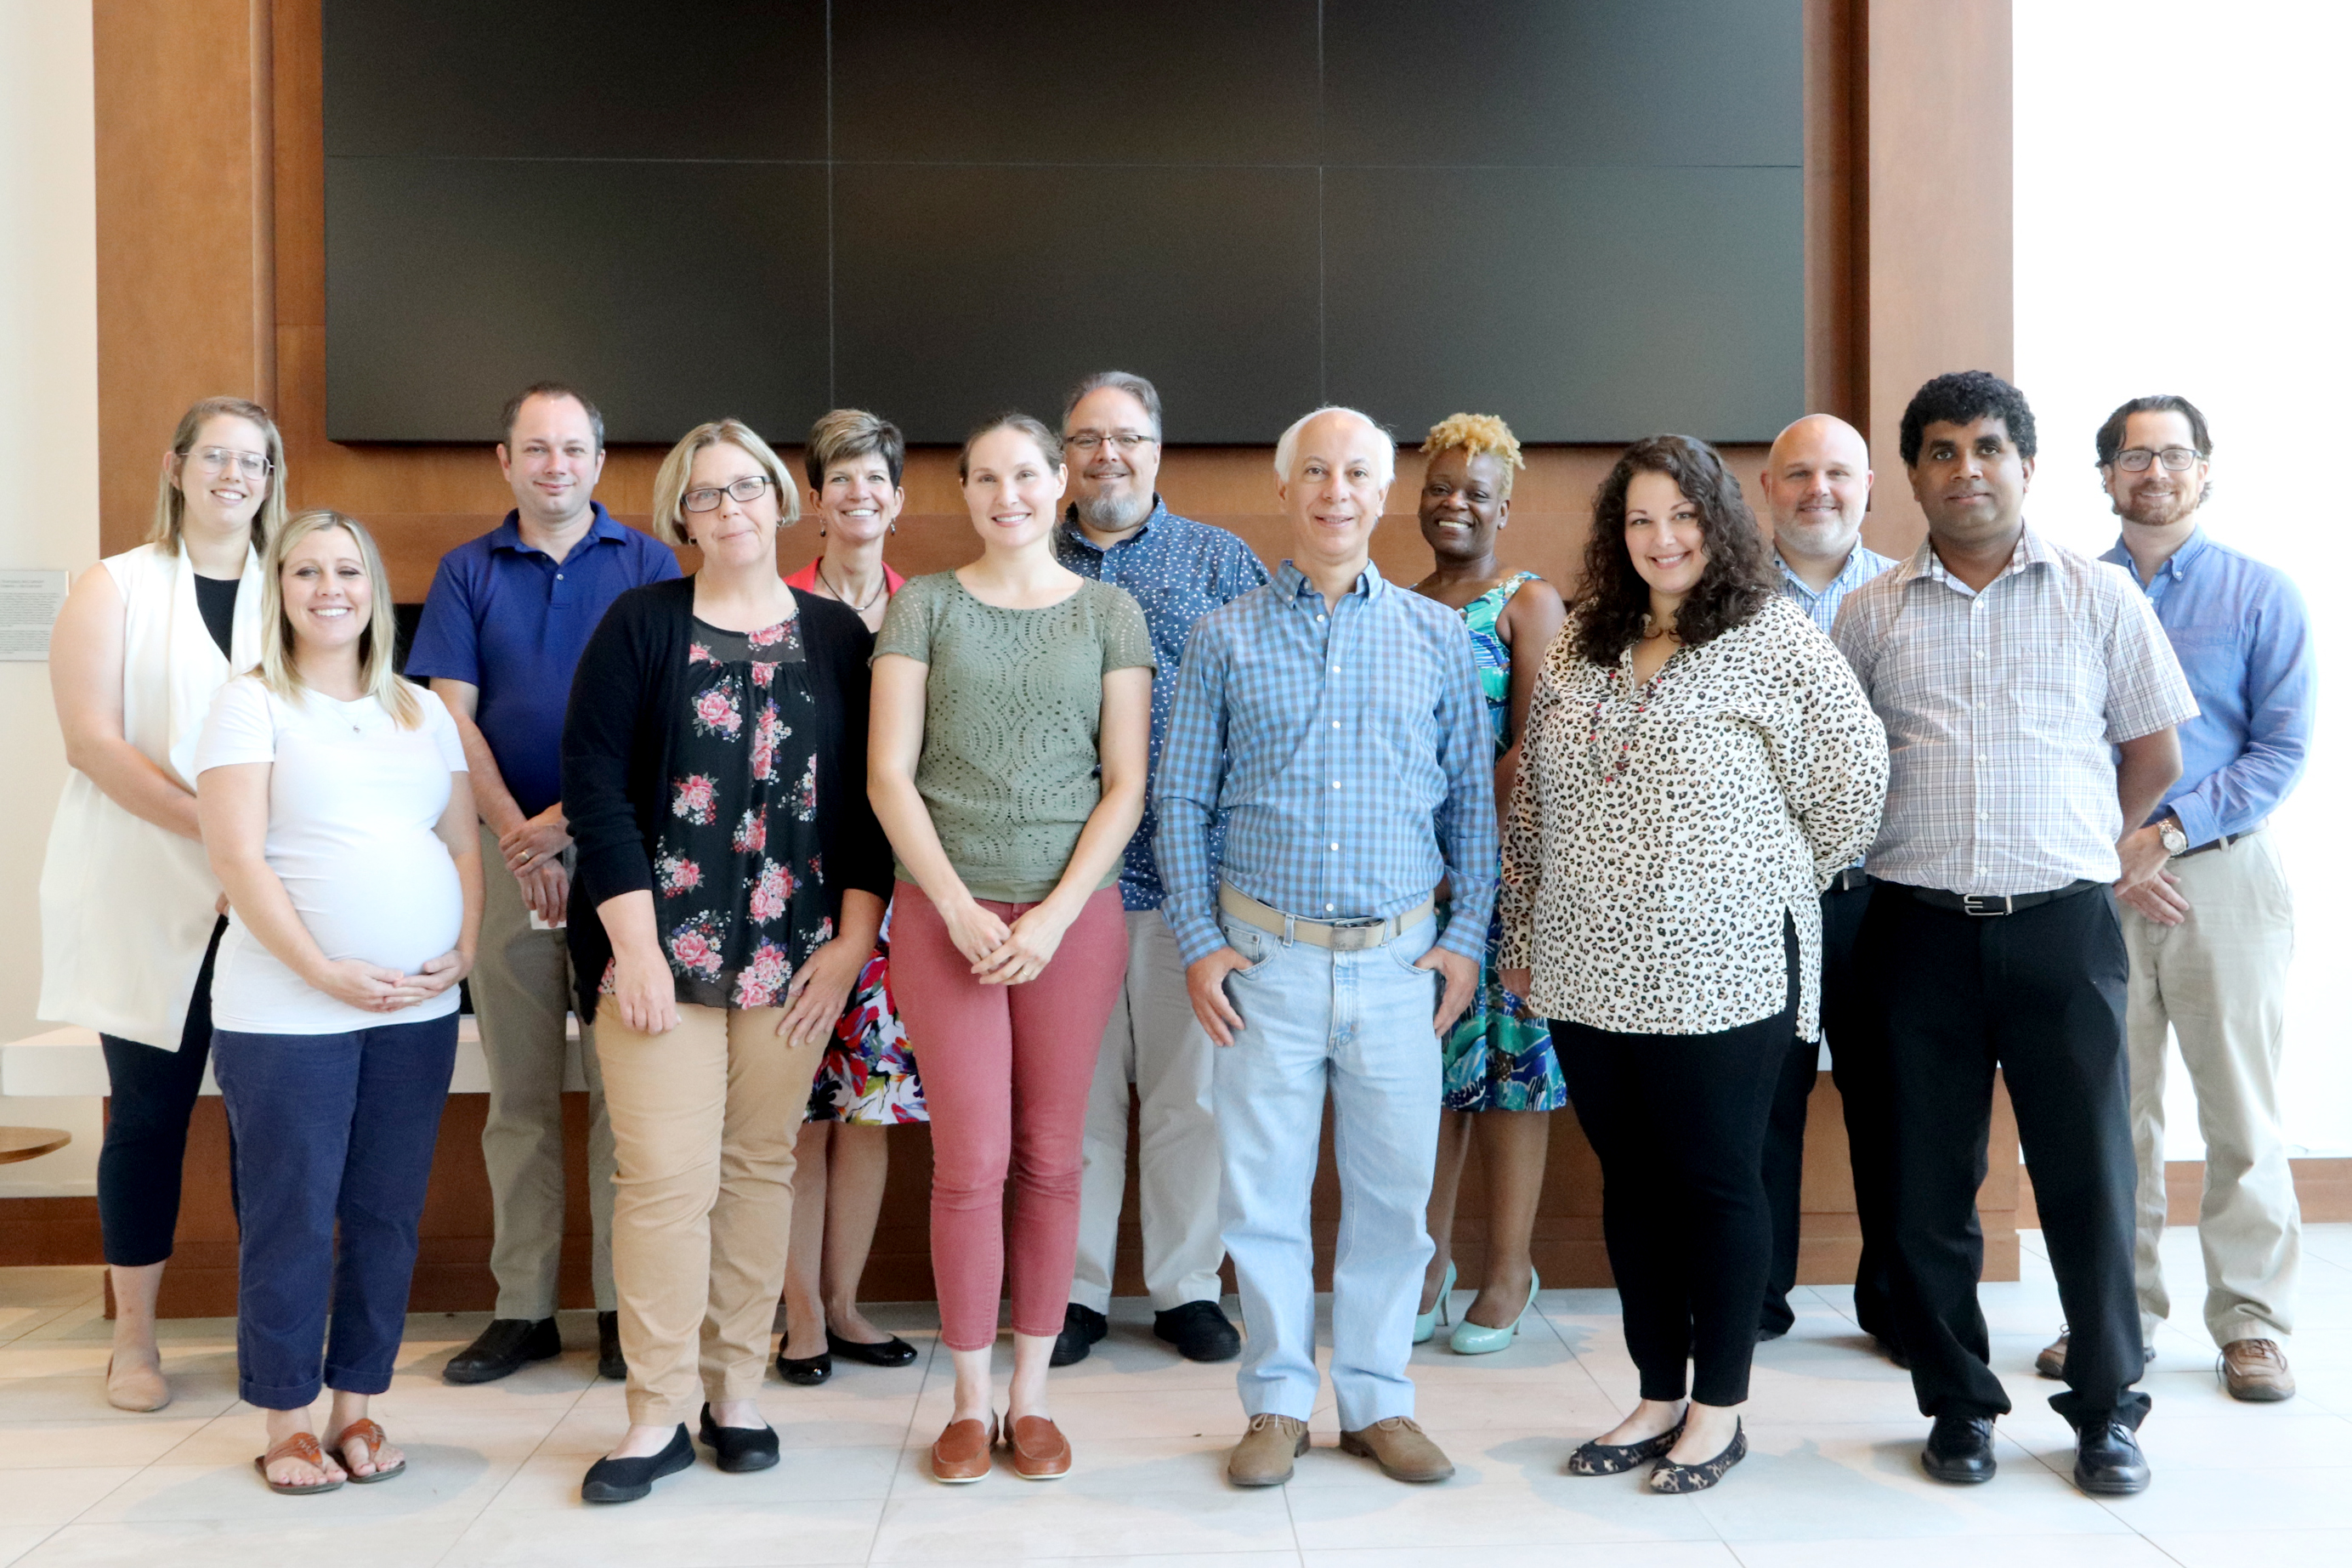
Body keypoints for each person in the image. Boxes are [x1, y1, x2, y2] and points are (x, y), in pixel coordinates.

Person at [1499, 435, 1885, 1495]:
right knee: (1633, 1185)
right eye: (1638, 520)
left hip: (1723, 971)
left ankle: (1719, 1410)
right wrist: (1522, 942)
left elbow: (1854, 789)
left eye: (1680, 517)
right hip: (1585, 967)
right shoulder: (1583, 640)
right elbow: (1531, 804)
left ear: (1716, 523)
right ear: (1614, 536)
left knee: (1714, 1183)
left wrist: (1751, 874)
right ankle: (1655, 1391)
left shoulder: (1774, 640)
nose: (1660, 539)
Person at [1834, 371, 2196, 1498]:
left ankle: (2103, 1412)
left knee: (2087, 1177)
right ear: (1912, 477)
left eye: (1986, 448)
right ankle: (1956, 1407)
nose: (1964, 469)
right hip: (1914, 935)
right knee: (1923, 1190)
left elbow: (2151, 752)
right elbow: (1841, 770)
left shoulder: (2098, 598)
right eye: (1938, 452)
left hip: (2062, 931)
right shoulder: (1868, 611)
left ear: (2025, 467)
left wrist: (2092, 843)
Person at [1158, 405, 1495, 1491]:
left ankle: (1378, 1400)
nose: (1335, 491)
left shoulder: (1438, 636)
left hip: (1402, 968)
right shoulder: (1223, 636)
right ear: (1284, 488)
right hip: (1266, 964)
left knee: (1393, 1198)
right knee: (1260, 1198)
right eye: (1315, 471)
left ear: (1381, 493)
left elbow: (1472, 818)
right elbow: (1178, 802)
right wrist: (1202, 944)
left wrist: (1465, 942)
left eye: (1356, 472)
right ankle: (1273, 1405)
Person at [562, 418, 893, 1503]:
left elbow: (869, 805)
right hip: (658, 954)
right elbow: (598, 788)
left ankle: (733, 1392)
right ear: (680, 514)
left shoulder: (840, 637)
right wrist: (635, 947)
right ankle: (654, 1413)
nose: (732, 507)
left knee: (759, 1171)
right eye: (707, 495)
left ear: (777, 500)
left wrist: (850, 941)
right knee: (662, 1180)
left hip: (791, 959)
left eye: (748, 486)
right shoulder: (639, 623)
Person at [869, 412, 1153, 1484]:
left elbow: (1123, 781)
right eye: (985, 477)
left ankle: (1031, 1399)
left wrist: (1049, 916)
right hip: (945, 918)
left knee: (1049, 1156)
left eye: (1027, 474)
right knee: (971, 1162)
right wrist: (953, 905)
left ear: (1060, 481)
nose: (1009, 494)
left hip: (1068, 925)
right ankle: (967, 1400)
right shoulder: (925, 607)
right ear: (965, 492)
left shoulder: (1109, 613)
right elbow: (889, 774)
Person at [195, 509, 484, 1493]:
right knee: (291, 1211)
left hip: (413, 1009)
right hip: (286, 1013)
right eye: (306, 571)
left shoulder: (420, 709)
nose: (330, 589)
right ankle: (287, 1421)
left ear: (372, 588)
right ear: (278, 590)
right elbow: (234, 854)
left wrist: (466, 950)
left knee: (387, 1212)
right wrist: (322, 970)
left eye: (348, 571)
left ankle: (358, 1409)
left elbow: (458, 844)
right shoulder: (249, 704)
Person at [2030, 396, 2312, 1402]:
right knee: (2112, 1113)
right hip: (2093, 882)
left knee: (2238, 1109)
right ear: (2103, 475)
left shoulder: (2258, 594)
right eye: (2133, 456)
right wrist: (2115, 852)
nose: (2155, 471)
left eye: (2175, 455)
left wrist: (2163, 836)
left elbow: (2280, 747)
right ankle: (2117, 1314)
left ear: (2206, 471)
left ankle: (2252, 1323)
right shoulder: (2060, 590)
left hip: (2220, 875)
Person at [407, 383, 679, 1386]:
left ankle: (623, 1311)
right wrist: (520, 839)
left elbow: (660, 718)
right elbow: (450, 717)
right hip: (502, 862)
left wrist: (568, 825)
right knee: (518, 1101)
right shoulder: (466, 571)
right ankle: (522, 1309)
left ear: (600, 461)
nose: (555, 466)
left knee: (629, 1101)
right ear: (505, 459)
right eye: (536, 449)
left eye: (573, 449)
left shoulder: (650, 563)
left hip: (621, 870)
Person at [40, 394, 282, 1412]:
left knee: (270, 1128)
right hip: (150, 886)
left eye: (256, 462)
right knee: (148, 1120)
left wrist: (259, 865)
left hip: (273, 905)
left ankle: (266, 1339)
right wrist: (215, 834)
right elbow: (93, 742)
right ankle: (133, 1342)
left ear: (272, 481)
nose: (236, 476)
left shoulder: (300, 583)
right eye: (217, 457)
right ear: (178, 467)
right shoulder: (116, 587)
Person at [1053, 371, 1267, 1369]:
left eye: (1127, 437)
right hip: (1063, 888)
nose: (1108, 455)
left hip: (1197, 888)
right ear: (1063, 452)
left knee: (1195, 1099)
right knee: (1075, 1102)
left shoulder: (1221, 562)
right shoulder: (1026, 555)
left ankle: (1186, 1287)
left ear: (1157, 447)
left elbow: (1269, 717)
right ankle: (1076, 1289)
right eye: (1088, 437)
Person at [1405, 412, 1567, 1356]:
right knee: (1424, 1077)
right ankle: (1428, 1264)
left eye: (1475, 491)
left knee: (1510, 1075)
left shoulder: (1526, 600)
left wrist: (1464, 843)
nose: (1454, 503)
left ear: (1503, 507)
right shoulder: (1397, 599)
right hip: (1412, 887)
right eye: (1439, 487)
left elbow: (1536, 741)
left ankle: (1509, 1268)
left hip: (1502, 878)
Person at [1750, 414, 1900, 1352]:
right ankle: (1752, 1299)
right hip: (1758, 904)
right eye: (1797, 473)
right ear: (1765, 489)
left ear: (1869, 485)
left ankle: (1894, 1302)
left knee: (1897, 1103)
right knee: (1760, 1100)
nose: (1818, 491)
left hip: (1884, 896)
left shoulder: (1905, 595)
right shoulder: (1716, 600)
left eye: (1838, 473)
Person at [776, 408, 921, 1385]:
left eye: (876, 479)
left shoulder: (931, 608)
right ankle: (796, 1317)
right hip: (786, 893)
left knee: (867, 1108)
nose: (859, 495)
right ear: (815, 501)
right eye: (842, 480)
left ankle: (843, 1301)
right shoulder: (770, 602)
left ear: (899, 499)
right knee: (793, 1114)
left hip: (899, 898)